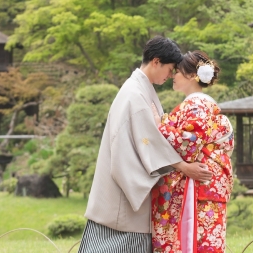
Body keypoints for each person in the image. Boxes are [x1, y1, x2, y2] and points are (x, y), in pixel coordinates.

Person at [79, 37, 213, 253]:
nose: (170, 75)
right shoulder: (135, 94)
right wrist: (184, 167)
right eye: (169, 69)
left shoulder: (140, 88)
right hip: (125, 186)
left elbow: (152, 136)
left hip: (127, 179)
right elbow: (149, 140)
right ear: (156, 61)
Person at [151, 51, 234, 253]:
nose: (173, 75)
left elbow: (189, 144)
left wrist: (158, 126)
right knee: (205, 242)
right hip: (206, 184)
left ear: (191, 75)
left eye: (177, 71)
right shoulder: (200, 103)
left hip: (200, 185)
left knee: (198, 241)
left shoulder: (196, 104)